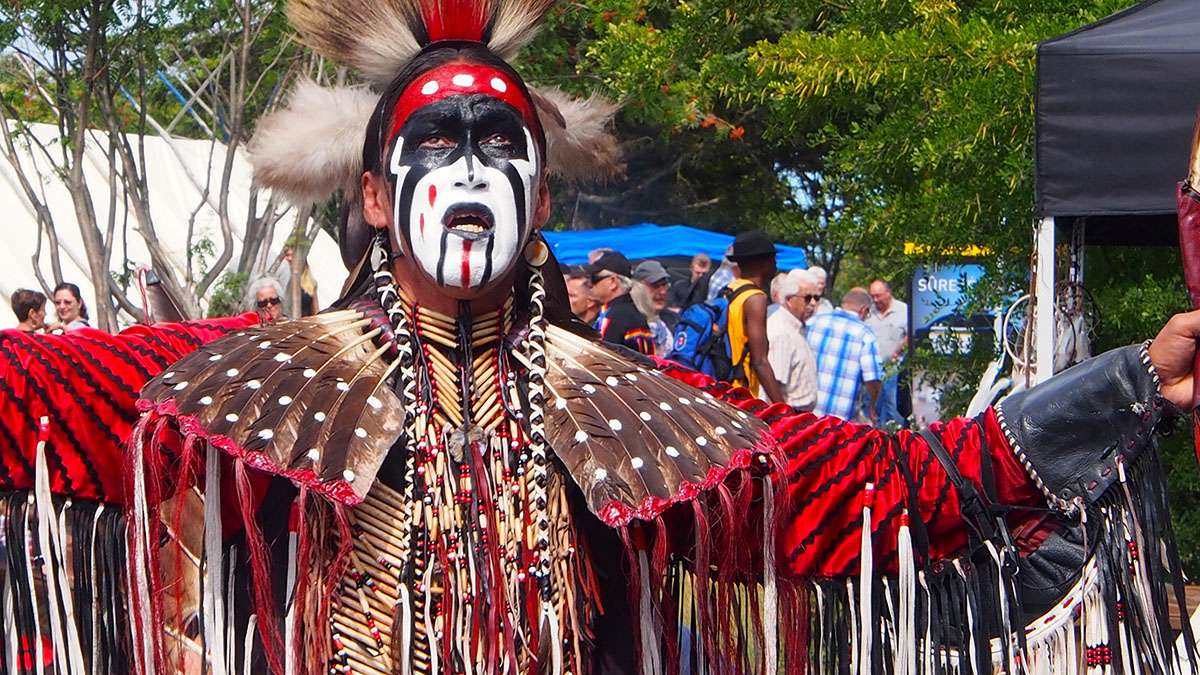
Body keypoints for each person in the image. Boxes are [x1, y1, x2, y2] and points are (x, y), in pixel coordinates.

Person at [0, 1, 1194, 672]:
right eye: (439, 146)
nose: (471, 171)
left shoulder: (633, 415)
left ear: (545, 197)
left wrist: (1128, 379)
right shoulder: (237, 387)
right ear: (372, 197)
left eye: (498, 144)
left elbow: (888, 486)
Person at [724, 230, 786, 403]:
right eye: (773, 259)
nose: (776, 265)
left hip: (722, 388)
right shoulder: (756, 298)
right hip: (740, 395)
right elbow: (760, 361)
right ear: (762, 263)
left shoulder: (730, 290)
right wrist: (783, 410)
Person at [807, 287, 883, 421]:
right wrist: (873, 404)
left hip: (808, 412)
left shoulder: (813, 322)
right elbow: (872, 378)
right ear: (864, 310)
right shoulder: (865, 334)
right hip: (840, 421)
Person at [765, 269, 820, 411]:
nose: (813, 303)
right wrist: (784, 419)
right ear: (789, 300)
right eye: (807, 298)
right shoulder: (782, 332)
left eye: (816, 298)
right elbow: (773, 388)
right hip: (788, 417)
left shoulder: (795, 327)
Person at [586, 250, 655, 354]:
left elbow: (603, 360)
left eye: (594, 279)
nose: (590, 284)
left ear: (613, 282)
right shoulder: (619, 311)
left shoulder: (618, 316)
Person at [866, 278, 909, 428]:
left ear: (888, 293)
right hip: (871, 369)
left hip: (894, 369)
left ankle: (896, 440)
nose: (875, 299)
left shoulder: (903, 310)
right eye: (872, 296)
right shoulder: (868, 312)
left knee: (893, 407)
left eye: (878, 295)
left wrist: (900, 349)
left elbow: (912, 336)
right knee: (871, 408)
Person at [631, 259, 676, 357]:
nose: (662, 292)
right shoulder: (628, 322)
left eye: (664, 285)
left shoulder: (673, 320)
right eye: (655, 286)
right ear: (637, 287)